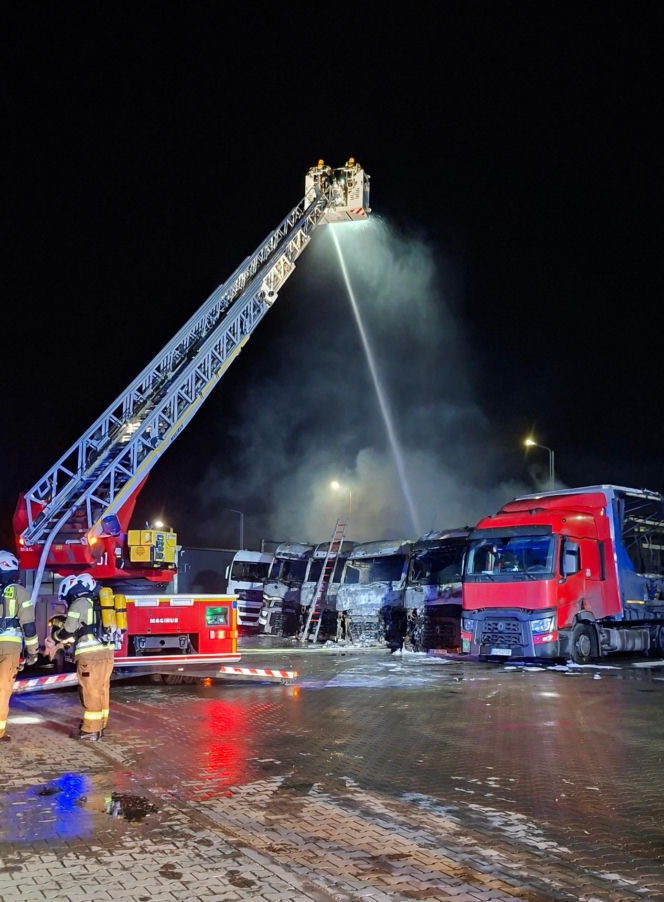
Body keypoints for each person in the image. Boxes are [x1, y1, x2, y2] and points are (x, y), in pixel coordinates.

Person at [45, 573, 115, 741]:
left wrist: (55, 638)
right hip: (107, 653)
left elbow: (69, 630)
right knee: (102, 690)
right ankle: (100, 725)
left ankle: (90, 730)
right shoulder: (96, 603)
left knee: (90, 692)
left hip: (90, 657)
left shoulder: (78, 604)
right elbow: (82, 630)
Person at [0, 550, 38, 742]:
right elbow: (28, 626)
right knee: (2, 689)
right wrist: (33, 653)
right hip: (9, 647)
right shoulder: (19, 592)